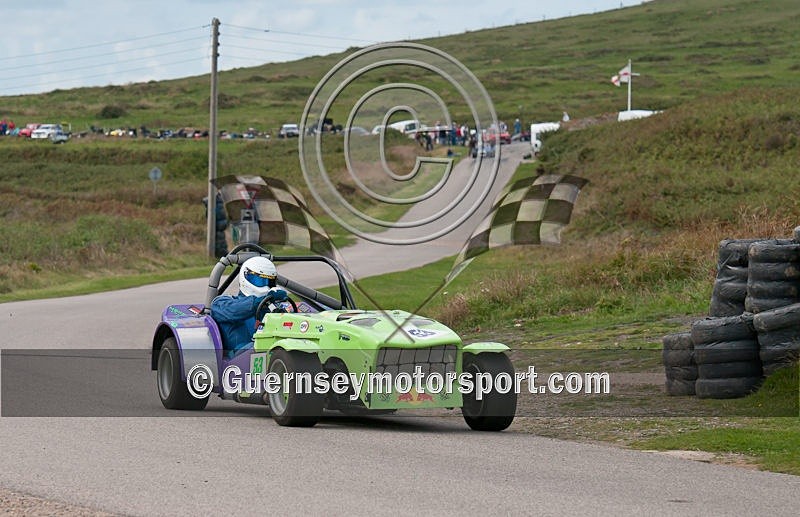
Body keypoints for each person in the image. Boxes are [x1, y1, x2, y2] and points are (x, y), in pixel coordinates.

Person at [210, 256, 288, 356]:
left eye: (269, 282)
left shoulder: (271, 307)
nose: (266, 286)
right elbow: (235, 310)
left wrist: (281, 313)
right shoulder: (220, 303)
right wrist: (264, 300)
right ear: (246, 277)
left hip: (270, 352)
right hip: (236, 360)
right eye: (260, 281)